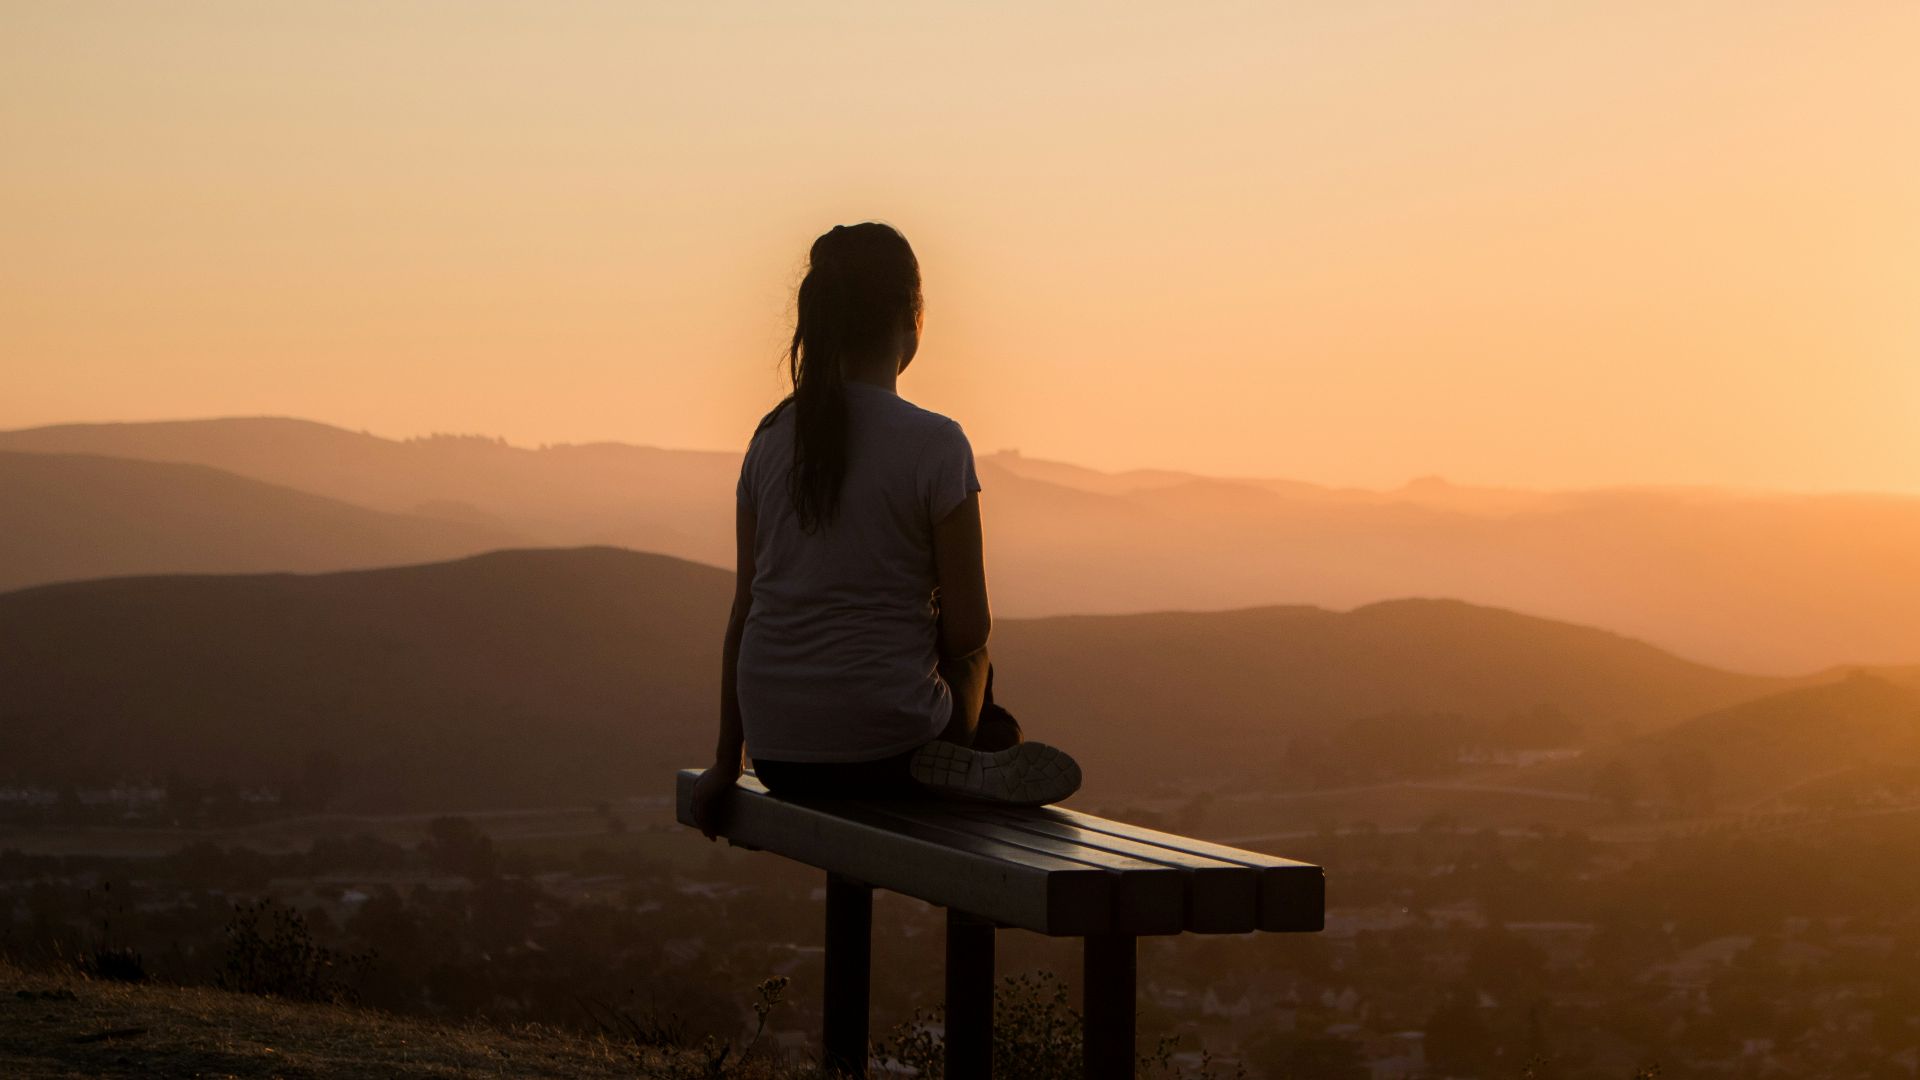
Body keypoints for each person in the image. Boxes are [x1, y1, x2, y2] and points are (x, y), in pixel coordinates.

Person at [689, 222, 1081, 838]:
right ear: (912, 320)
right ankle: (979, 751)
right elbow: (968, 629)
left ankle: (972, 751)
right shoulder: (936, 443)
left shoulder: (768, 440)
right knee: (978, 661)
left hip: (780, 757)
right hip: (891, 751)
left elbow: (744, 612)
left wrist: (724, 762)